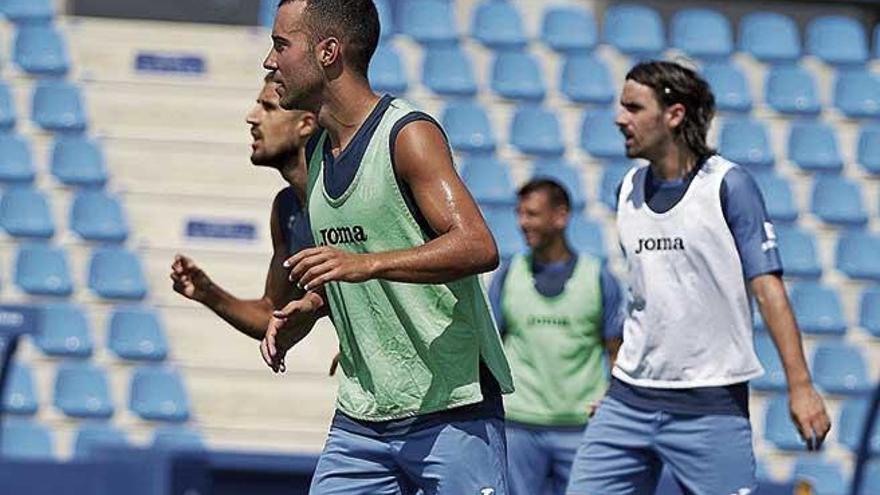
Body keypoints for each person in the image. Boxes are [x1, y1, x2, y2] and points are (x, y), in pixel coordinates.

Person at [260, 1, 515, 494]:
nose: (270, 62)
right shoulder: (315, 154)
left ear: (328, 52)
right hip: (362, 416)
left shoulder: (407, 134)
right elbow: (360, 260)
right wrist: (313, 308)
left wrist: (364, 265)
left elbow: (478, 245)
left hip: (452, 408)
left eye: (280, 45)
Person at [566, 60, 831, 494]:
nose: (619, 119)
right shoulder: (626, 190)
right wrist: (618, 387)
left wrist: (800, 387)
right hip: (628, 401)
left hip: (710, 408)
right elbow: (645, 301)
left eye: (633, 108)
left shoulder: (729, 186)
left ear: (674, 114)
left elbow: (768, 290)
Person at [488, 178, 624, 495]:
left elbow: (616, 352)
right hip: (519, 424)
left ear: (560, 216)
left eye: (532, 214)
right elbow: (490, 347)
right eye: (519, 214)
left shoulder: (598, 277)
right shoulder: (508, 275)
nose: (522, 223)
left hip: (580, 426)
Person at [170, 74, 319, 350]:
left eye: (268, 107)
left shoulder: (352, 199)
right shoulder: (286, 208)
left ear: (306, 124)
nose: (252, 117)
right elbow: (273, 314)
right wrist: (209, 293)